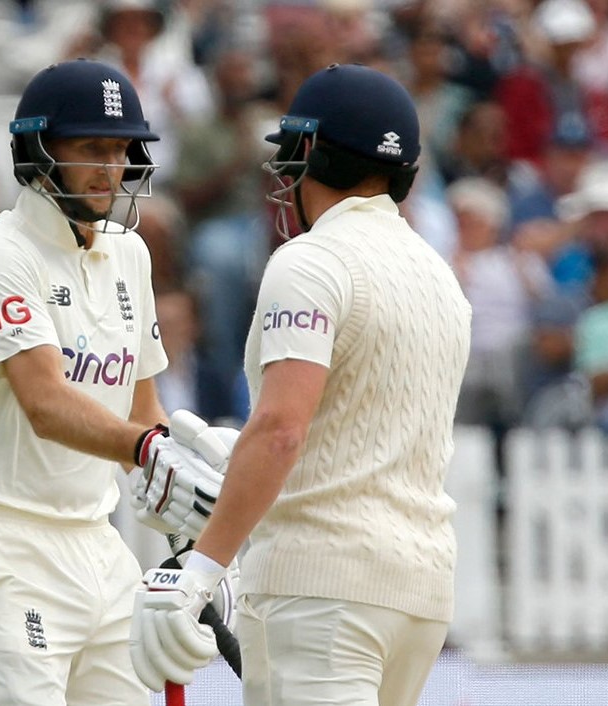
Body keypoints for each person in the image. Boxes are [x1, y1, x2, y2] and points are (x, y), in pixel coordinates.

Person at [129, 64, 473, 706]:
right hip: (420, 591)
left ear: (311, 151)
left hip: (322, 586)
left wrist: (199, 572)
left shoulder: (311, 261)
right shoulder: (438, 274)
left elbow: (282, 430)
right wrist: (239, 466)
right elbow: (351, 429)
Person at [0, 58, 205, 706]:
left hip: (98, 542)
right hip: (2, 544)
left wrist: (190, 520)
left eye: (121, 150)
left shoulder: (131, 253)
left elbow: (142, 408)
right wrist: (147, 449)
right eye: (92, 149)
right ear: (39, 151)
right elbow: (46, 403)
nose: (112, 167)